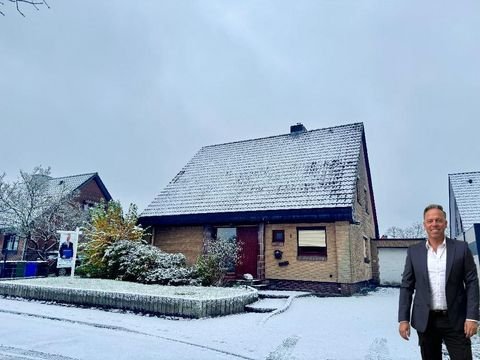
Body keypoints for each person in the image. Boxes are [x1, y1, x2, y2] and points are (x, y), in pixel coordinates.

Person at [398, 204, 479, 359]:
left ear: (445, 223)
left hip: (456, 320)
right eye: (430, 221)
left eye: (438, 220)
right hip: (426, 321)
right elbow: (406, 287)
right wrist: (403, 319)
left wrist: (472, 317)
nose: (434, 224)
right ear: (424, 225)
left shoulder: (461, 248)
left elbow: (472, 283)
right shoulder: (414, 251)